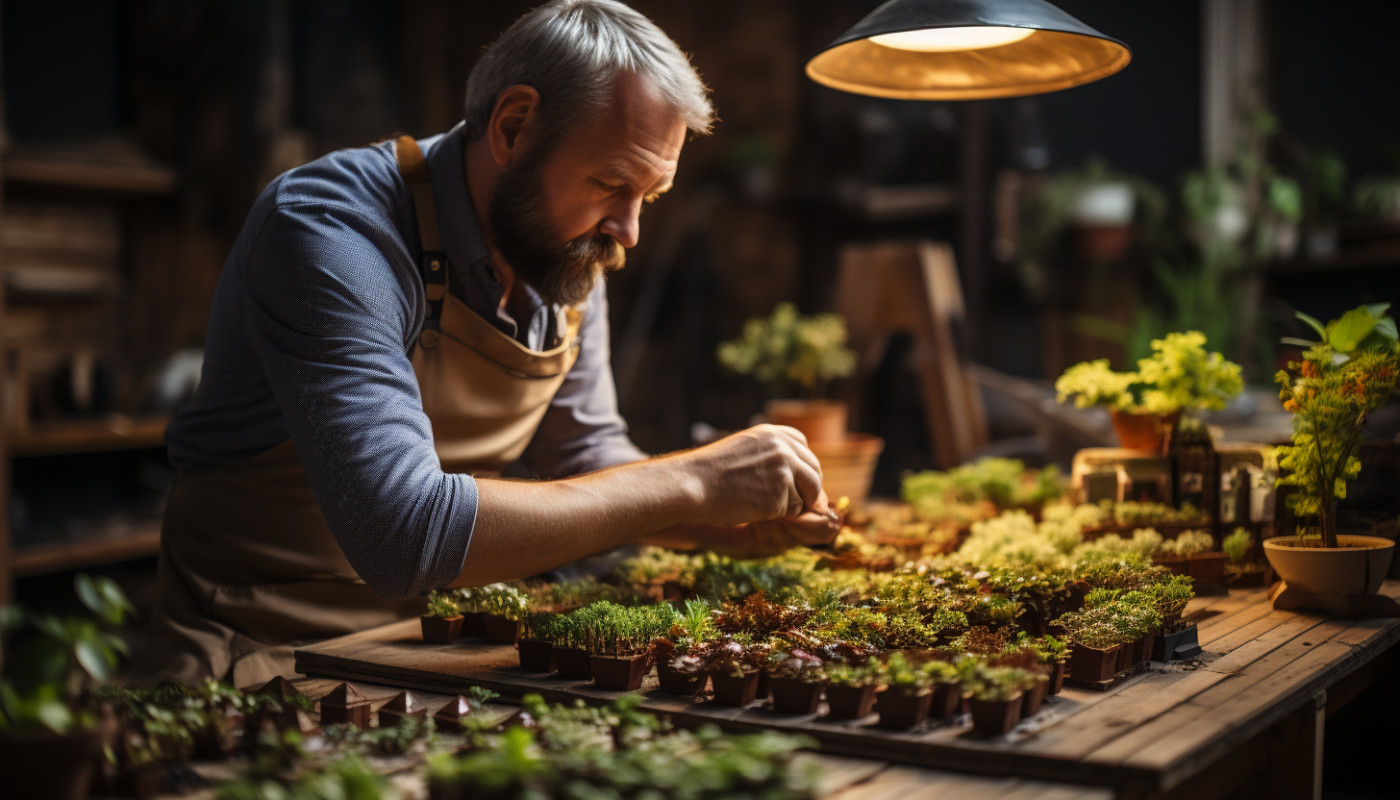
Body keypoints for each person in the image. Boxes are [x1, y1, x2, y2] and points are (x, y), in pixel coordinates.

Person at [151, 0, 839, 687]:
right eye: (611, 184)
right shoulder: (332, 236)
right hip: (259, 649)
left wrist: (729, 523)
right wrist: (693, 480)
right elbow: (402, 534)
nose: (628, 232)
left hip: (436, 644)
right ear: (514, 126)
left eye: (649, 197)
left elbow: (588, 458)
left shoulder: (562, 250)